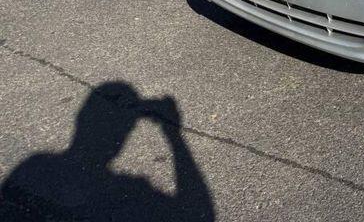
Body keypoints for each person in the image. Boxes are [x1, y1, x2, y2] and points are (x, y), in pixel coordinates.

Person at [0, 82, 215, 221]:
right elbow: (199, 211)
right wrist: (174, 137)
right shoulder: (130, 189)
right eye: (128, 128)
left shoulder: (35, 166)